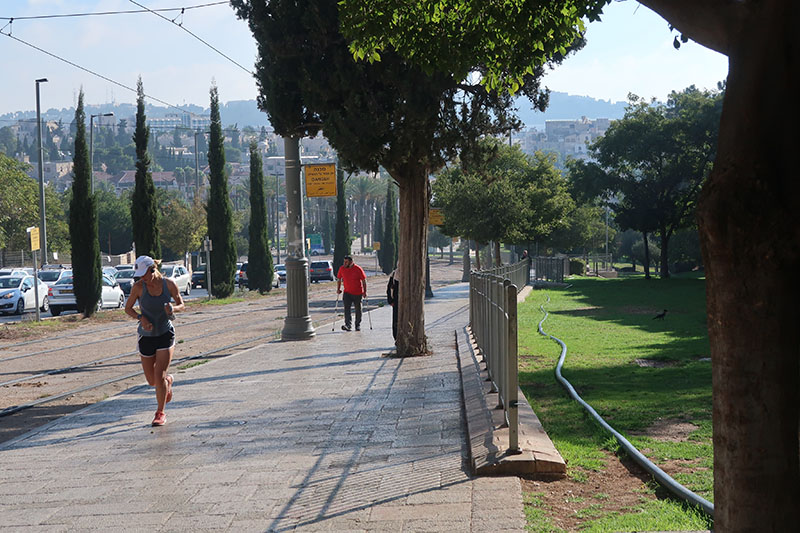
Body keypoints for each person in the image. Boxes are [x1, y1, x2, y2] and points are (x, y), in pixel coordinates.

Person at [124, 255, 185, 426]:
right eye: (140, 275)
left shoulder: (169, 284)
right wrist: (140, 317)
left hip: (165, 333)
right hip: (146, 336)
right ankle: (168, 383)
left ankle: (160, 413)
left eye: (145, 274)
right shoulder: (138, 287)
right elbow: (127, 308)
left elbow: (182, 304)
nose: (143, 278)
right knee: (152, 381)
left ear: (153, 269)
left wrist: (173, 308)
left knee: (159, 375)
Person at [336, 255, 367, 331]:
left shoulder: (358, 269)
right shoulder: (342, 269)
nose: (344, 263)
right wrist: (338, 289)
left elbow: (363, 280)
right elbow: (339, 279)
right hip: (347, 292)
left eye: (346, 262)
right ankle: (348, 325)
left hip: (357, 293)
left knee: (358, 309)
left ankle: (357, 325)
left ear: (351, 262)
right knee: (347, 309)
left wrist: (364, 292)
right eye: (344, 261)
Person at [386, 268, 399, 340]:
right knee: (396, 320)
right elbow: (389, 288)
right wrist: (390, 301)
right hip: (396, 302)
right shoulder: (394, 274)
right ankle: (396, 337)